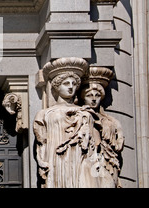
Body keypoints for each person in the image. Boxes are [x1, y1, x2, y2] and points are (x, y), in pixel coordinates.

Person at [33, 57, 100, 187]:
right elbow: (41, 144)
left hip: (80, 158)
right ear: (57, 87)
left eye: (74, 84)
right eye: (66, 84)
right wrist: (41, 160)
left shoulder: (85, 113)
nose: (71, 87)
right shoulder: (44, 114)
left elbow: (93, 145)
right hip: (56, 159)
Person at [80, 67, 124, 187]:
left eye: (97, 95)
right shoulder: (80, 115)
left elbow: (119, 143)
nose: (94, 99)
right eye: (90, 95)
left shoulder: (110, 121)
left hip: (107, 160)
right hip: (88, 159)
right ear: (83, 97)